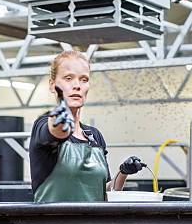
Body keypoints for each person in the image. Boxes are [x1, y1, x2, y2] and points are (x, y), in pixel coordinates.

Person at [29, 50, 145, 202]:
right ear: (53, 85)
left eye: (84, 79)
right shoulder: (43, 125)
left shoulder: (94, 135)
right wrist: (61, 119)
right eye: (68, 78)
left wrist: (122, 173)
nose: (77, 85)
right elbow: (53, 133)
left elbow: (106, 191)